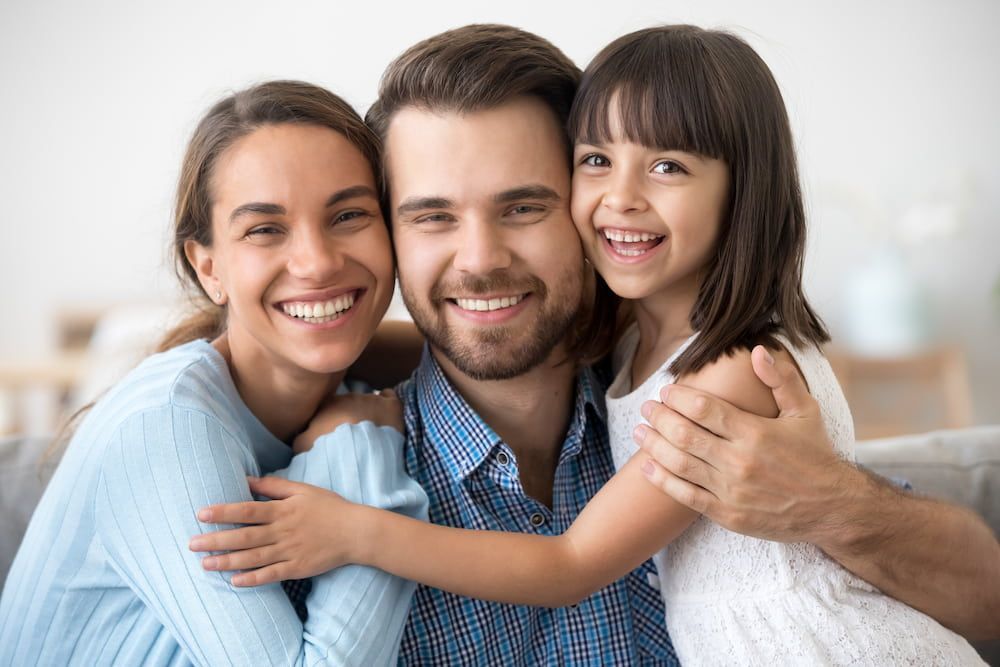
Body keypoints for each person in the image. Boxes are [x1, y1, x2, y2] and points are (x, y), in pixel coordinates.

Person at [191, 24, 1000, 663]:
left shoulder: (711, 409)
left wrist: (837, 503)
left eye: (523, 207)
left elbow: (980, 592)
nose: (478, 261)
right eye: (432, 215)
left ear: (587, 214)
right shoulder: (346, 474)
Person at [0, 80, 427, 666]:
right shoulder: (170, 424)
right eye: (264, 229)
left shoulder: (347, 389)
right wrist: (356, 445)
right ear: (208, 268)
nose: (319, 261)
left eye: (349, 214)